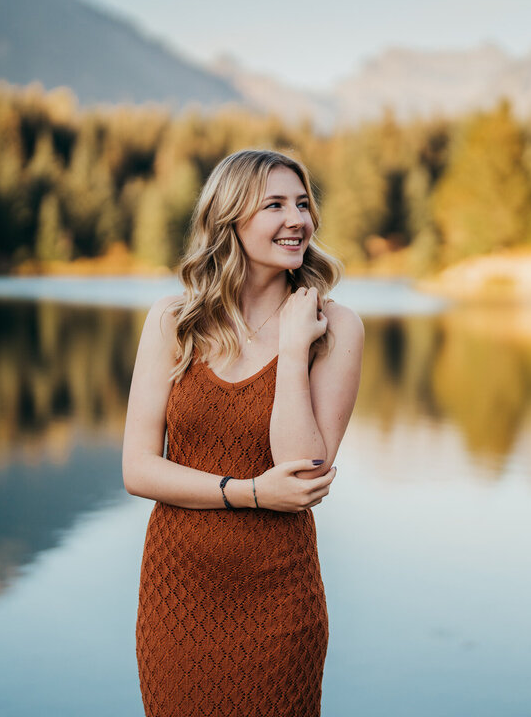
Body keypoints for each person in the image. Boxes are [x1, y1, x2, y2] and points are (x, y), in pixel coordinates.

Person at [123, 149, 364, 717]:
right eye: (275, 204)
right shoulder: (173, 321)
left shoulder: (335, 327)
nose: (296, 219)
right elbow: (138, 469)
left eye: (303, 204)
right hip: (177, 597)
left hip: (279, 602)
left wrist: (290, 346)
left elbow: (303, 468)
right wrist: (250, 492)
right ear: (230, 217)